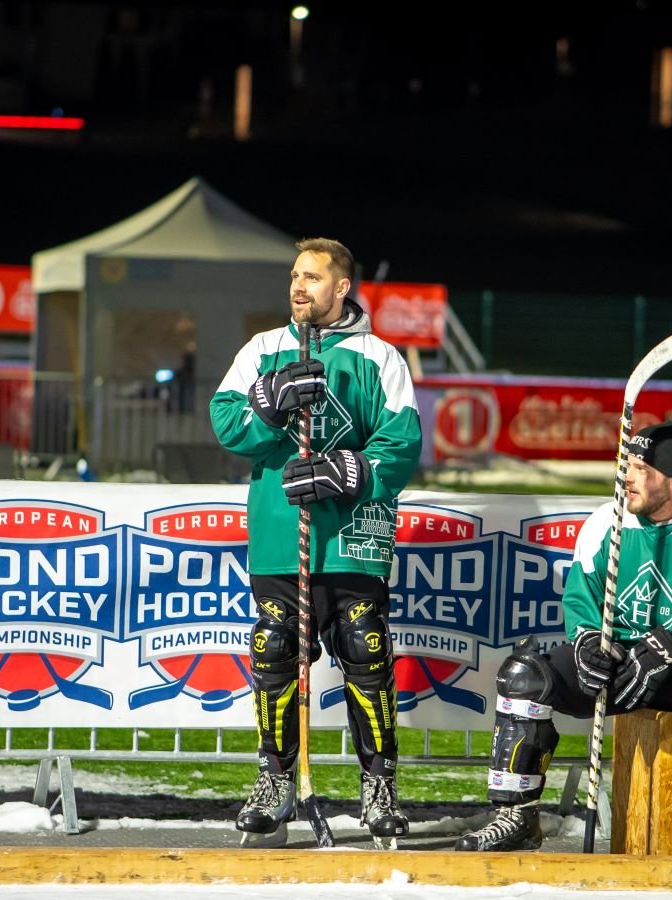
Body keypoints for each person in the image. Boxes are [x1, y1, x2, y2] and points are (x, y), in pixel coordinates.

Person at [456, 421, 672, 854]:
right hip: (615, 665)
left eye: (641, 469)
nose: (626, 478)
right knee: (524, 676)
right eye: (627, 465)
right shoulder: (609, 520)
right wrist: (587, 641)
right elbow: (580, 597)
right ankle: (517, 816)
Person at [209, 237, 423, 847]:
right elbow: (227, 424)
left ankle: (379, 787)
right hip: (281, 535)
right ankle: (275, 781)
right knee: (274, 649)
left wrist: (350, 470)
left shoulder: (380, 357)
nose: (298, 286)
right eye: (295, 276)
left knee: (365, 649)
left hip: (352, 538)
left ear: (342, 287)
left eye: (312, 277)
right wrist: (268, 406)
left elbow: (402, 441)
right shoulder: (262, 349)